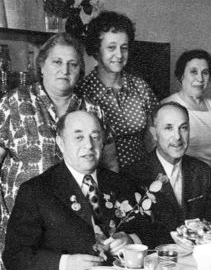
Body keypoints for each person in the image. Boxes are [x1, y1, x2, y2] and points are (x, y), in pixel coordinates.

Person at [0, 33, 117, 265]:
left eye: (72, 64)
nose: (65, 70)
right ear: (41, 65)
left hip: (78, 233)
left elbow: (110, 167)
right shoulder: (12, 104)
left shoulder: (92, 109)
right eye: (57, 62)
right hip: (22, 228)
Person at [3, 111, 151, 270]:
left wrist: (131, 240)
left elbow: (153, 232)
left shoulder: (121, 182)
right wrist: (64, 263)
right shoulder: (35, 191)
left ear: (102, 142)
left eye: (95, 137)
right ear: (60, 143)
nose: (88, 145)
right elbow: (15, 256)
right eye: (79, 137)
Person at [77, 11, 159, 168]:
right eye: (111, 47)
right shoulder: (83, 92)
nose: (119, 55)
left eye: (124, 48)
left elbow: (156, 132)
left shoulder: (140, 87)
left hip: (143, 176)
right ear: (96, 50)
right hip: (105, 178)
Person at [123, 102, 210, 240]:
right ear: (154, 134)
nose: (177, 137)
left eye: (183, 128)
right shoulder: (133, 176)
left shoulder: (202, 171)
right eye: (168, 128)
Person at [161, 49, 211, 166]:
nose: (200, 79)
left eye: (205, 72)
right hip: (191, 178)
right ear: (181, 75)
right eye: (193, 72)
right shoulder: (168, 106)